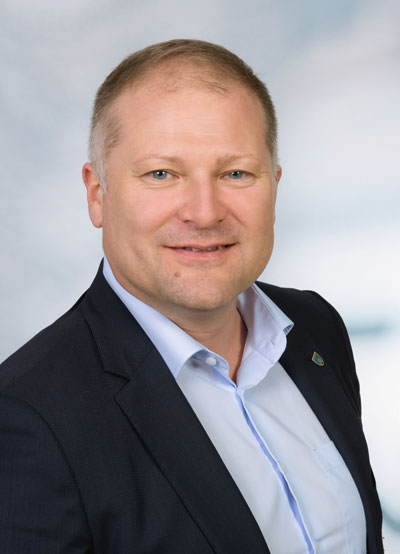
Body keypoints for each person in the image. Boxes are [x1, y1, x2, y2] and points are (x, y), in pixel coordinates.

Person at [0, 39, 383, 554]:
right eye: (162, 174)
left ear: (274, 186)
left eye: (236, 173)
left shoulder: (316, 327)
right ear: (97, 194)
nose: (204, 213)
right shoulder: (26, 420)